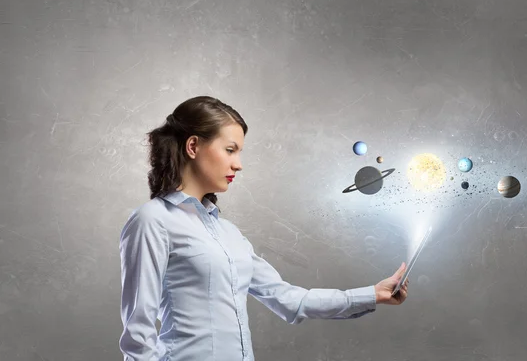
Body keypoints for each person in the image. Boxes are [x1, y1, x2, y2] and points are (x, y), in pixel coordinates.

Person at [118, 95, 409, 361]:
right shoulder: (152, 221)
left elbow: (290, 300)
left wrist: (373, 294)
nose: (239, 164)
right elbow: (138, 337)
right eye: (230, 150)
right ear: (193, 146)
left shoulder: (228, 234)